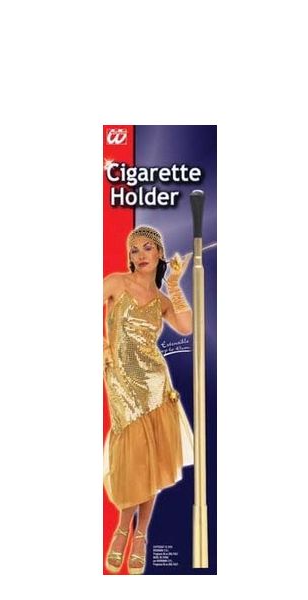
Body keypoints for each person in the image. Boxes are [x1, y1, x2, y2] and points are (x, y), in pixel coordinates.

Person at [103, 225, 193, 574]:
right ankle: (123, 527)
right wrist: (103, 346)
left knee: (151, 459)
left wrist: (175, 284)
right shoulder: (115, 283)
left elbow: (185, 327)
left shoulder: (162, 300)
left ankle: (138, 533)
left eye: (147, 248)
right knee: (132, 459)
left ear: (159, 253)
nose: (140, 255)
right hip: (121, 383)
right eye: (134, 249)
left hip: (155, 385)